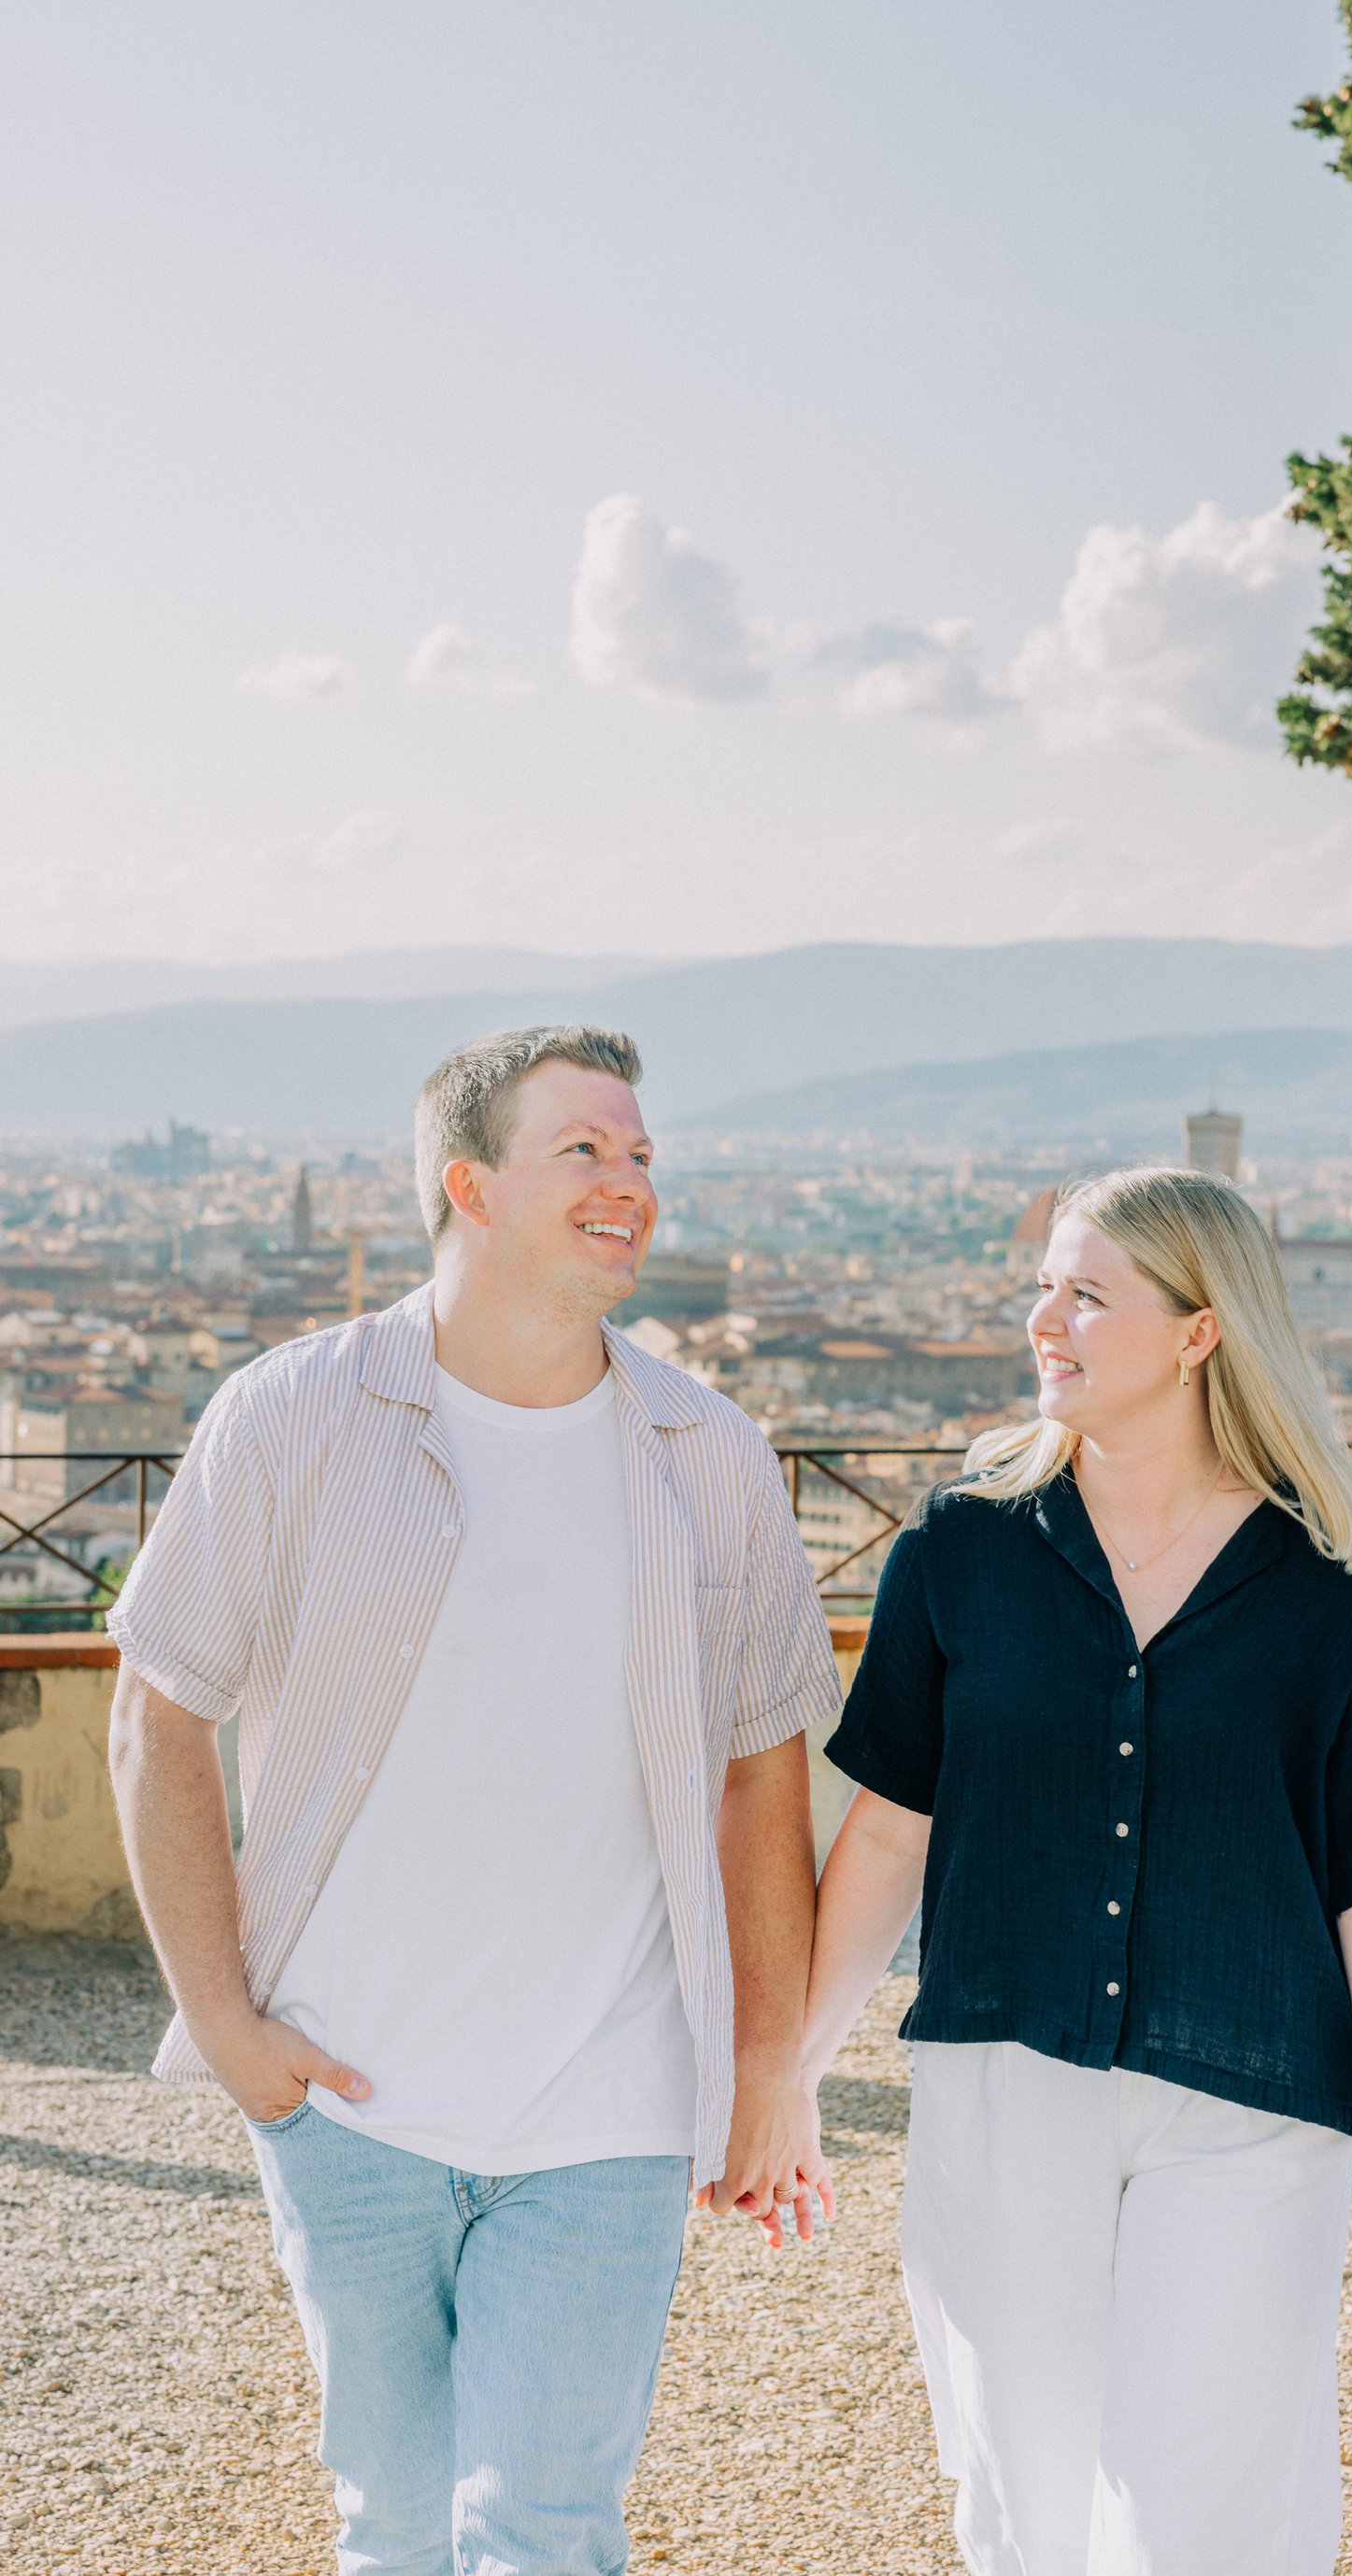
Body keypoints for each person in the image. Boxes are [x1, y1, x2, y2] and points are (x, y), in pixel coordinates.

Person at [108, 1023, 841, 2576]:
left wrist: (769, 2061)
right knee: (391, 2525)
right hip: (345, 2099)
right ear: (470, 1185)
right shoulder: (292, 1415)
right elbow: (156, 1715)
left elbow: (762, 1766)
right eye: (584, 1149)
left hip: (611, 2110)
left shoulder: (712, 1456)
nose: (629, 1181)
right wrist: (225, 2024)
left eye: (640, 1153)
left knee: (545, 2531)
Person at [802, 1167, 1352, 2576]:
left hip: (1250, 2108)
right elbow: (888, 1829)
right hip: (1003, 2091)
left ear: (1199, 1333)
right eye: (1045, 1285)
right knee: (1027, 2515)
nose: (1045, 1319)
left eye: (1089, 1293)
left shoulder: (1332, 1586)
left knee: (1199, 2529)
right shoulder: (959, 1549)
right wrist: (785, 2072)